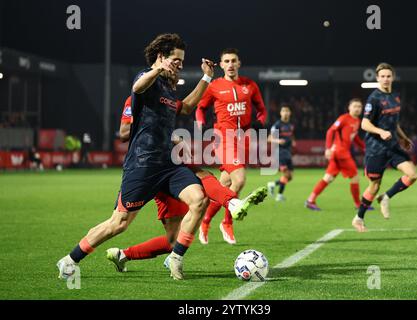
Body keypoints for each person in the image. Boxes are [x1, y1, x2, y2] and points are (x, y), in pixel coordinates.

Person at [57, 33, 216, 281]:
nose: (180, 65)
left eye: (182, 61)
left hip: (168, 164)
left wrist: (206, 78)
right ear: (161, 58)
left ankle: (175, 258)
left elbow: (185, 107)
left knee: (199, 200)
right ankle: (69, 260)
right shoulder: (147, 79)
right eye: (176, 60)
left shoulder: (169, 88)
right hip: (142, 165)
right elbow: (137, 87)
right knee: (118, 223)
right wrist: (156, 70)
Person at [104, 96, 268, 272]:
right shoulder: (140, 98)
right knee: (201, 176)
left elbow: (185, 107)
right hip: (156, 171)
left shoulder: (162, 97)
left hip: (161, 170)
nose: (176, 71)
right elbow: (127, 131)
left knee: (173, 240)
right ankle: (232, 203)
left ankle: (123, 255)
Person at [195, 48, 267, 245]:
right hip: (223, 137)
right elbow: (201, 107)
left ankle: (206, 221)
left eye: (234, 60)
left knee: (224, 186)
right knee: (240, 179)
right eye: (226, 61)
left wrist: (259, 123)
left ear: (239, 63)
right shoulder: (214, 86)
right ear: (221, 65)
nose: (230, 64)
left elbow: (262, 110)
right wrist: (200, 122)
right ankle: (227, 222)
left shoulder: (249, 85)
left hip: (243, 139)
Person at [352, 63, 417, 232]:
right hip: (376, 149)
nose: (385, 79)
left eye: (388, 76)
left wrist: (403, 137)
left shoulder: (395, 97)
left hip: (392, 146)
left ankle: (386, 197)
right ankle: (359, 218)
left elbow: (394, 123)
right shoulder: (373, 99)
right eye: (382, 76)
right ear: (377, 78)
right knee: (374, 186)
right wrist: (380, 132)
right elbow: (364, 124)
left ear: (392, 77)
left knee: (412, 175)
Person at [305, 99, 371, 210]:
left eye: (359, 106)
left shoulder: (357, 121)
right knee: (355, 177)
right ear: (349, 107)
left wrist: (365, 148)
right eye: (355, 106)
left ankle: (310, 200)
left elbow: (355, 138)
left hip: (340, 153)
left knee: (328, 178)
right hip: (341, 152)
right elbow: (330, 131)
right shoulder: (343, 118)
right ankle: (358, 204)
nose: (357, 108)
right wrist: (327, 148)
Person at [267, 105, 295, 201]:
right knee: (286, 174)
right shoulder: (277, 125)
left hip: (288, 152)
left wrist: (293, 141)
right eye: (283, 111)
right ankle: (279, 196)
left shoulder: (291, 125)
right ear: (280, 113)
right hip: (280, 153)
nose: (285, 113)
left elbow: (291, 136)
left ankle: (273, 184)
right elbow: (269, 139)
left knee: (290, 177)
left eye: (287, 111)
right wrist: (278, 141)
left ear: (290, 113)